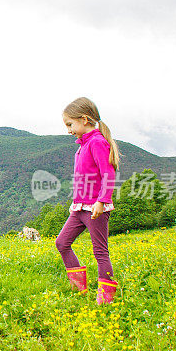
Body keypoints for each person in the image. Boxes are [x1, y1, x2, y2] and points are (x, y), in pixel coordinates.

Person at [55, 97, 121, 304]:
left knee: (100, 252)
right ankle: (78, 286)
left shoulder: (97, 142)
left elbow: (108, 174)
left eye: (69, 124)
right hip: (80, 207)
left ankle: (106, 298)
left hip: (95, 208)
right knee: (62, 243)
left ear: (84, 119)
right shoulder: (82, 145)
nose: (68, 130)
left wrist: (102, 201)